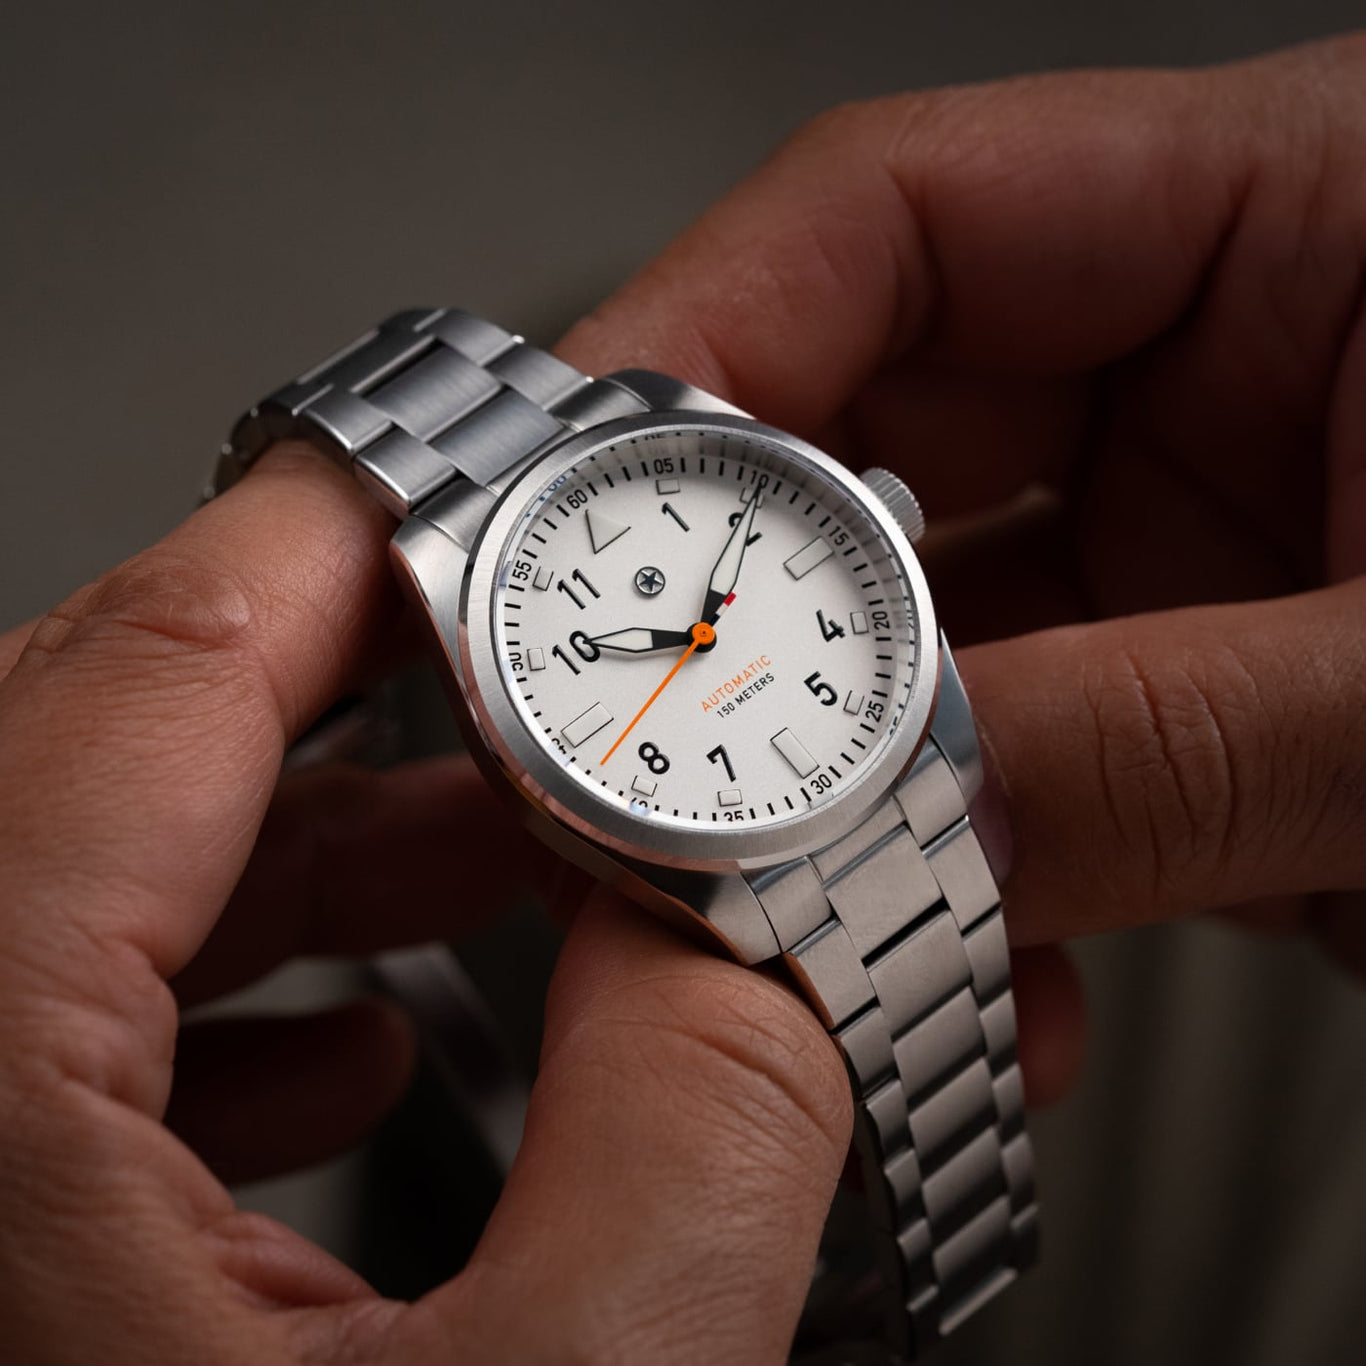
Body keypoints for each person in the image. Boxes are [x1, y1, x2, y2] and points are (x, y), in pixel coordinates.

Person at [1, 35, 1362, 1366]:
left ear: (873, 519)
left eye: (711, 619)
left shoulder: (732, 474)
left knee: (599, 314)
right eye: (692, 636)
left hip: (865, 752)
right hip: (737, 856)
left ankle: (894, 1277)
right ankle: (873, 1290)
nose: (707, 636)